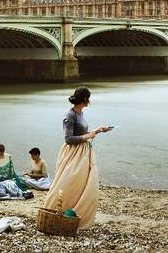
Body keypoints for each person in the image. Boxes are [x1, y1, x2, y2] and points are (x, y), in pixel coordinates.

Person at [43, 86, 111, 229]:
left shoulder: (81, 113)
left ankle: (74, 212)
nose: (89, 101)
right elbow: (68, 139)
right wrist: (88, 136)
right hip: (73, 153)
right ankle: (53, 210)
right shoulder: (70, 115)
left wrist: (98, 130)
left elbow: (84, 133)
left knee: (83, 184)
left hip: (83, 152)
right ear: (85, 99)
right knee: (68, 182)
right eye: (89, 98)